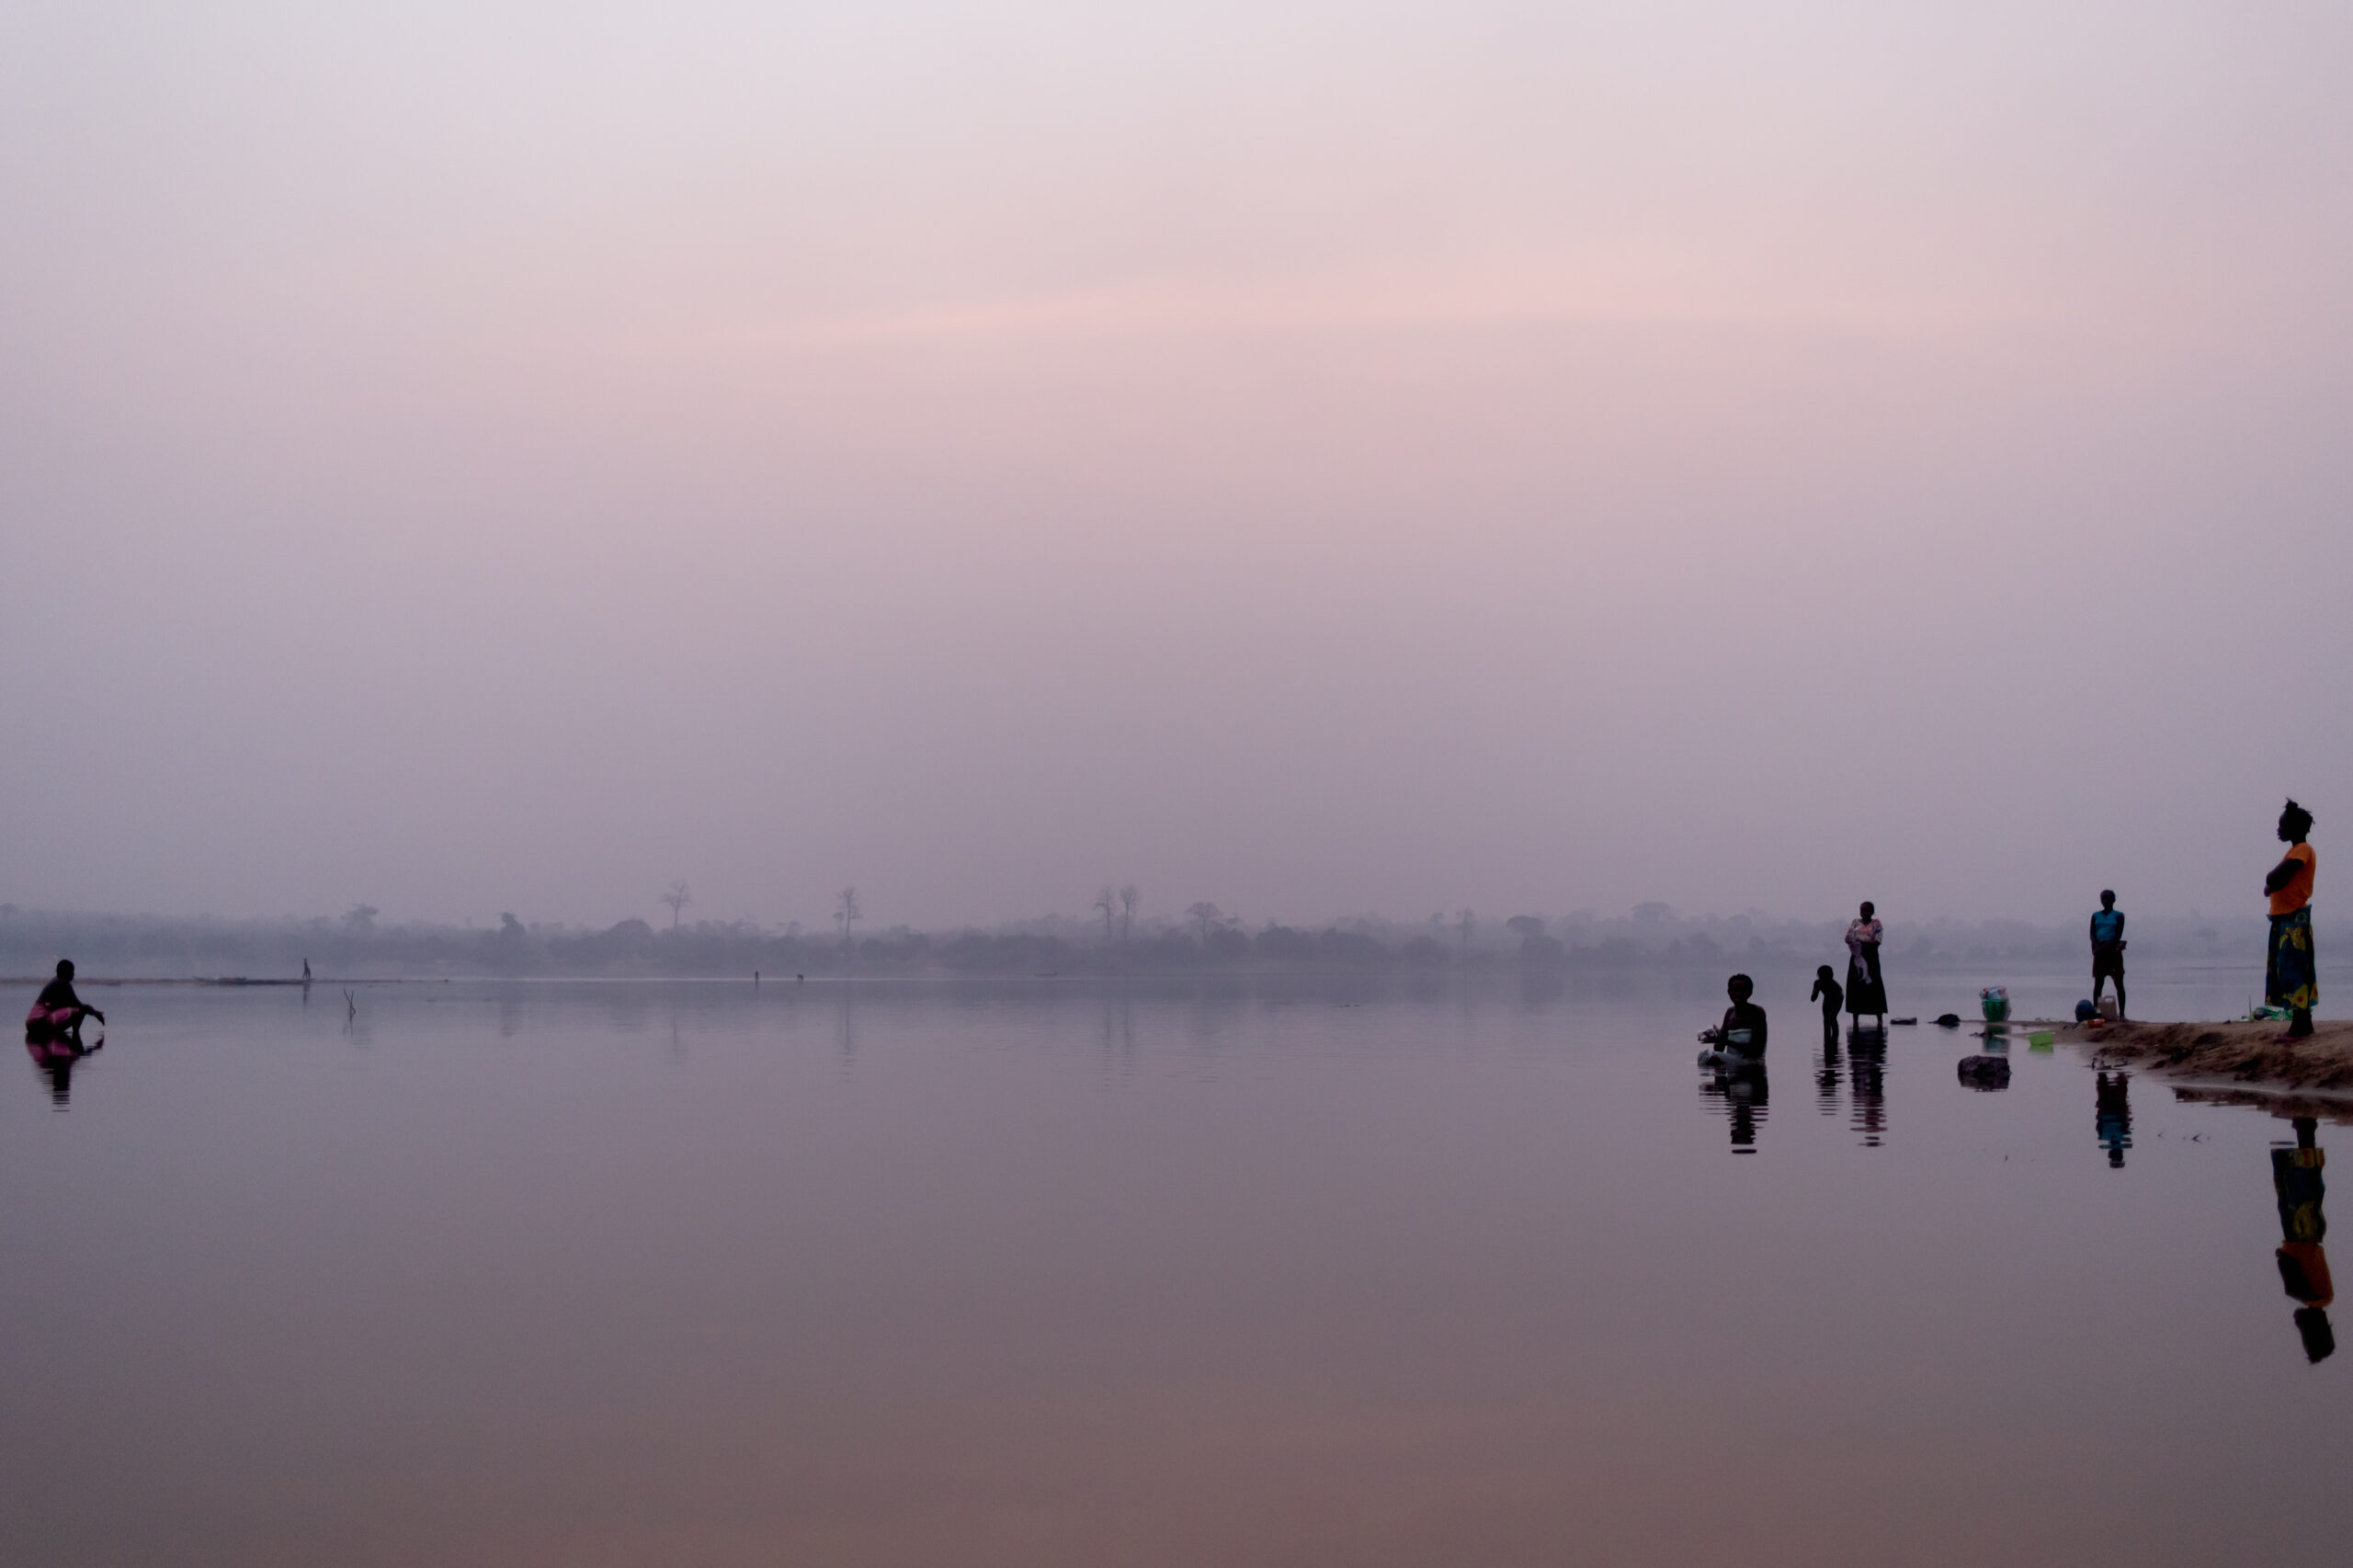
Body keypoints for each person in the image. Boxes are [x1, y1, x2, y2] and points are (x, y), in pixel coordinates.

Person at [2271, 1117, 2334, 1363]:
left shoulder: (2322, 1297)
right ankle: (2305, 1130)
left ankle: (2305, 1131)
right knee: (2301, 1184)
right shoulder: (2308, 1295)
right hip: (2300, 1235)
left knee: (2306, 1183)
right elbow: (2287, 1264)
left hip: (2309, 1236)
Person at [2264, 800, 2317, 1040]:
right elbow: (2276, 880)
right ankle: (2300, 1023)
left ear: (2295, 829)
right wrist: (2272, 883)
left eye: (2282, 826)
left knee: (2295, 972)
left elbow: (2276, 877)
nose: (2279, 830)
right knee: (2286, 971)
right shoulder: (2294, 851)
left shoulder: (2302, 850)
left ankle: (2302, 1025)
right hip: (2284, 919)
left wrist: (2270, 882)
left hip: (2294, 920)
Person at [24, 960, 103, 1041]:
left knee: (79, 1010)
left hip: (32, 1024)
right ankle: (75, 1036)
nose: (73, 974)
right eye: (72, 971)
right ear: (66, 972)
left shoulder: (56, 981)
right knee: (80, 1011)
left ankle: (70, 1037)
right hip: (38, 1023)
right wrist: (96, 1014)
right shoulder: (63, 983)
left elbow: (67, 1004)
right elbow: (79, 1005)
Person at [1699, 972, 1768, 1061]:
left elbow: (1756, 1051)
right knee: (1704, 1056)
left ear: (1750, 992)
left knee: (1713, 1059)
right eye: (1734, 990)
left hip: (1753, 1064)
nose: (1738, 993)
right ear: (1729, 992)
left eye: (1742, 990)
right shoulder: (1730, 1012)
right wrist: (1716, 1037)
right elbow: (1719, 1048)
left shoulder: (1757, 1012)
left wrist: (1725, 1041)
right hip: (1734, 1063)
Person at [1845, 902, 1887, 1026]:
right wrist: (1856, 945)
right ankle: (1855, 1020)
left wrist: (1863, 943)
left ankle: (1879, 1019)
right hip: (1857, 958)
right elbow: (1848, 938)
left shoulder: (1876, 924)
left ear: (1872, 911)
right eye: (1862, 910)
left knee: (1875, 987)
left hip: (1871, 958)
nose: (1864, 913)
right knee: (1856, 987)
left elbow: (1878, 940)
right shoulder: (1855, 923)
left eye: (1867, 910)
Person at [2089, 891, 2127, 1019]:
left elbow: (2118, 935)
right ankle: (2097, 1013)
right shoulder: (2095, 916)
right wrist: (2097, 947)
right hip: (2099, 952)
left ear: (2113, 900)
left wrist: (2104, 947)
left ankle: (2121, 1014)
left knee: (2119, 982)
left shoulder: (2119, 916)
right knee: (2098, 984)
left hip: (2113, 951)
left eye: (2107, 898)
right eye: (2102, 898)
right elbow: (2092, 934)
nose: (2104, 901)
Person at [1810, 963, 1844, 1045]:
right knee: (1826, 1020)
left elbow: (1840, 994)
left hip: (1838, 998)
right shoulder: (1817, 983)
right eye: (1820, 976)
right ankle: (1827, 1041)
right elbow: (1813, 999)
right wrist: (1818, 988)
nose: (1821, 978)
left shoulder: (1834, 984)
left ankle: (1835, 1040)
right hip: (1827, 999)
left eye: (1824, 976)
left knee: (1832, 1018)